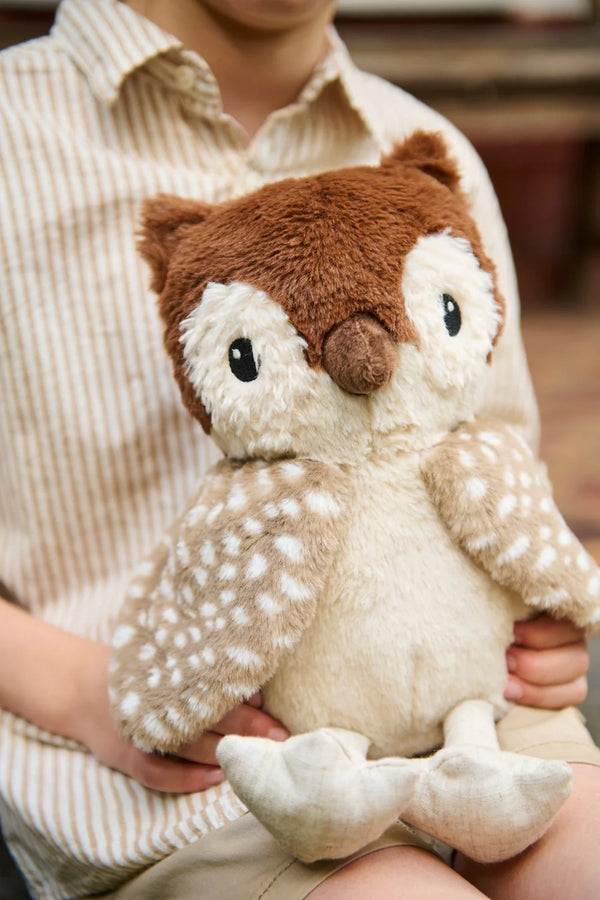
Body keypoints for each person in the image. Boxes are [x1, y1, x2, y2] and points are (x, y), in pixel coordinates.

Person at [0, 1, 597, 898]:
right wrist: (87, 692)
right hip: (184, 778)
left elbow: (495, 446)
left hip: (477, 721)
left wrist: (546, 619)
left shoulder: (423, 141)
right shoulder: (16, 138)